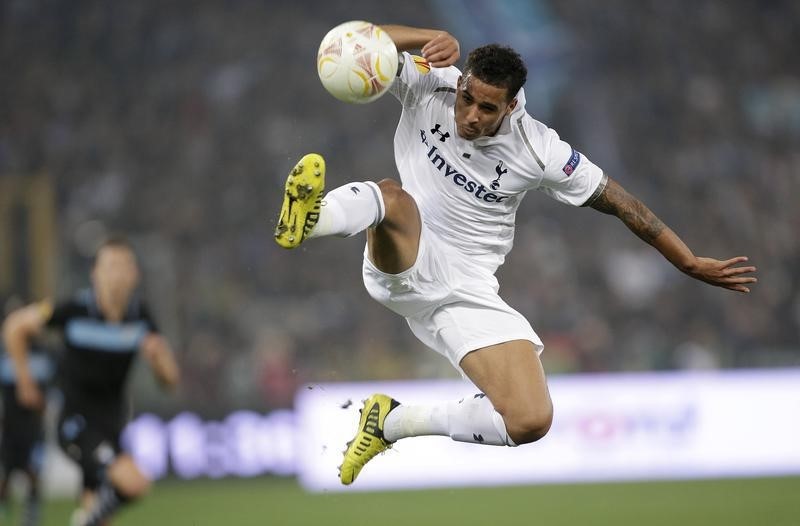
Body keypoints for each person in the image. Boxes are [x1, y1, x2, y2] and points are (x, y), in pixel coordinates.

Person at [274, 25, 757, 486]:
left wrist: (688, 261)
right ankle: (308, 221)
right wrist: (427, 37)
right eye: (467, 99)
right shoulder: (431, 81)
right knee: (393, 198)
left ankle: (391, 422)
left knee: (529, 420)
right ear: (459, 83)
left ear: (511, 108)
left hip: (468, 288)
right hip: (405, 259)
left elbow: (624, 205)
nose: (470, 116)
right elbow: (359, 42)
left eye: (487, 108)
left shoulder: (540, 149)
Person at [2, 237, 181, 525]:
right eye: (110, 266)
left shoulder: (140, 318)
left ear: (135, 275)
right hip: (75, 422)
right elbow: (14, 327)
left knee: (100, 517)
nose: (116, 274)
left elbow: (170, 382)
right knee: (134, 482)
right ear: (95, 274)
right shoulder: (74, 311)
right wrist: (25, 382)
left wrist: (159, 358)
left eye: (123, 267)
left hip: (113, 425)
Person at [0, 297, 55, 526]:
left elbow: (54, 389)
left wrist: (41, 402)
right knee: (5, 475)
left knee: (33, 472)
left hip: (34, 426)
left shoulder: (44, 354)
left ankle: (31, 515)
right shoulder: (3, 355)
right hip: (8, 427)